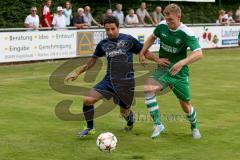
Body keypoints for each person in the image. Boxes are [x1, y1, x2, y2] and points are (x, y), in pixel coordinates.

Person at [65, 16, 156, 137]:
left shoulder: (128, 40)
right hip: (109, 81)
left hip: (126, 83)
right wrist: (78, 72)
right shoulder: (103, 44)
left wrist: (158, 60)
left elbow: (144, 51)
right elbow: (92, 60)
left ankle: (130, 122)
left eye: (113, 29)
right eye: (107, 29)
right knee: (88, 100)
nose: (110, 32)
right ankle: (89, 127)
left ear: (118, 27)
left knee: (124, 111)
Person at [139, 4, 203, 139]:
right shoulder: (162, 25)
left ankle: (194, 127)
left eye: (171, 20)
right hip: (163, 68)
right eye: (166, 19)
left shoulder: (186, 32)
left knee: (185, 105)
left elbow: (198, 53)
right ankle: (158, 124)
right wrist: (142, 51)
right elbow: (151, 37)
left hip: (179, 73)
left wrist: (181, 63)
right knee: (148, 88)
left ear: (179, 17)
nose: (168, 23)